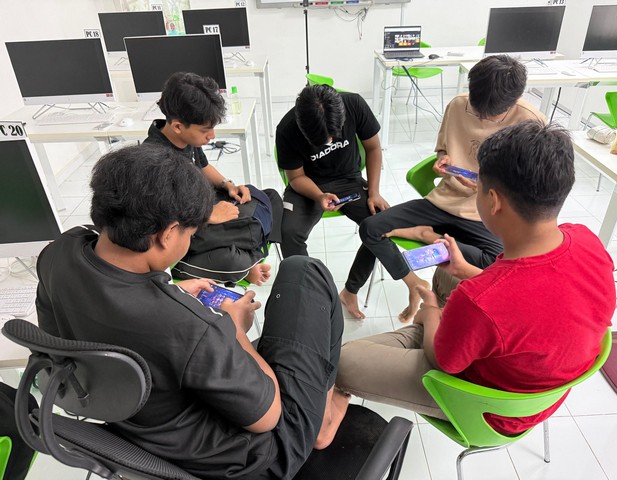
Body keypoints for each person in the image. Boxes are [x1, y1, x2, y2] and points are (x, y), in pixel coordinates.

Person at [35, 143, 349, 480]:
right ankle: (320, 424)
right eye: (191, 233)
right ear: (169, 233)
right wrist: (235, 331)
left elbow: (99, 314)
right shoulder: (191, 328)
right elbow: (269, 417)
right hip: (258, 459)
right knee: (304, 271)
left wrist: (172, 292)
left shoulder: (57, 255)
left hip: (143, 431)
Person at [335, 121, 616, 435]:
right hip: (539, 381)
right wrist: (464, 272)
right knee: (446, 282)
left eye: (477, 186)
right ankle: (432, 326)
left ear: (493, 201)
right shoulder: (586, 240)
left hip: (486, 405)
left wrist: (430, 311)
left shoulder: (479, 300)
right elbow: (527, 295)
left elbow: (442, 360)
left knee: (340, 361)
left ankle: (331, 414)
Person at [358, 55, 546, 322]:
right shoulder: (458, 105)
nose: (481, 118)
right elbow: (443, 148)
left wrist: (490, 184)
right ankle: (415, 285)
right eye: (476, 110)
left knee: (499, 262)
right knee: (370, 227)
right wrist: (442, 159)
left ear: (514, 101)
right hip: (444, 200)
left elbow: (530, 186)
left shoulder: (531, 123)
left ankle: (427, 235)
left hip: (486, 213)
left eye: (490, 115)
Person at [144, 71, 282, 286]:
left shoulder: (186, 138)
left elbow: (203, 165)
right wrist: (208, 215)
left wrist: (227, 185)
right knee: (233, 262)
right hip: (183, 232)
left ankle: (251, 253)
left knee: (270, 196)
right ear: (178, 126)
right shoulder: (154, 161)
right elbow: (163, 223)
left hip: (202, 205)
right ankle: (248, 263)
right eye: (205, 131)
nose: (212, 136)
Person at [276, 84, 389, 319]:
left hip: (348, 179)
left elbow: (373, 148)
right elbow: (295, 177)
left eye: (332, 136)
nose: (329, 142)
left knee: (380, 225)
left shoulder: (354, 104)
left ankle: (350, 291)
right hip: (308, 185)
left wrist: (374, 192)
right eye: (322, 140)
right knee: (289, 233)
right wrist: (319, 195)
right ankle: (310, 296)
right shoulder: (287, 128)